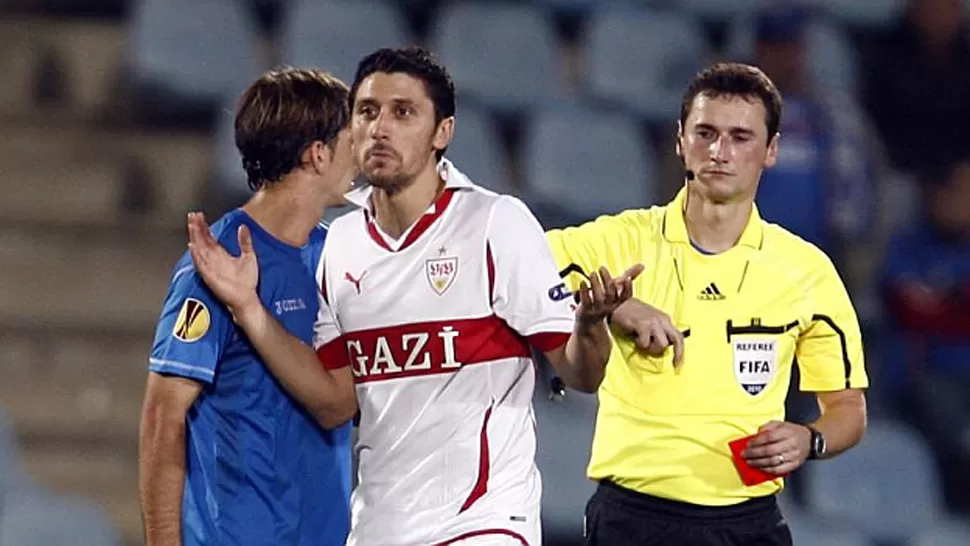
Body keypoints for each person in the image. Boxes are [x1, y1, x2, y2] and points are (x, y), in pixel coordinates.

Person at [186, 46, 641, 546]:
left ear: (442, 132)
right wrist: (249, 310)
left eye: (403, 112)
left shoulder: (494, 224)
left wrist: (590, 324)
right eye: (367, 111)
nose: (381, 128)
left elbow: (581, 373)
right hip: (380, 527)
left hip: (483, 522)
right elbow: (335, 402)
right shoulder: (340, 244)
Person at [545, 62, 869, 546]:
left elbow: (847, 407)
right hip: (632, 518)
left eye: (741, 137)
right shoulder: (621, 240)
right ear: (680, 141)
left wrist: (810, 439)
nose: (720, 152)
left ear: (772, 150)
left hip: (748, 521)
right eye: (705, 133)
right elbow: (511, 258)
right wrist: (618, 308)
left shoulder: (806, 270)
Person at [139, 68, 357, 546]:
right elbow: (163, 415)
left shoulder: (339, 257)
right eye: (349, 138)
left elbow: (340, 402)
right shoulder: (214, 263)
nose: (359, 153)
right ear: (319, 154)